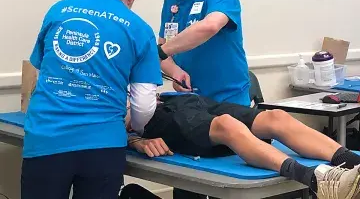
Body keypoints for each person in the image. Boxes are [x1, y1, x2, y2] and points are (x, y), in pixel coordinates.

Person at [21, 0, 162, 199]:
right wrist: (136, 128)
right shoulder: (139, 29)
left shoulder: (59, 10)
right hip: (102, 145)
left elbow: (42, 69)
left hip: (46, 138)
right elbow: (143, 104)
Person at [155, 0, 251, 197]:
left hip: (229, 108)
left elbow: (209, 26)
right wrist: (174, 70)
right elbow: (166, 50)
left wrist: (160, 53)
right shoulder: (170, 2)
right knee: (187, 189)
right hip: (190, 113)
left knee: (226, 186)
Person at [127, 92, 360, 199]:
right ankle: (320, 182)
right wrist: (135, 140)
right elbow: (100, 118)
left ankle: (354, 163)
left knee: (275, 117)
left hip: (177, 99)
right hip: (152, 122)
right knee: (226, 125)